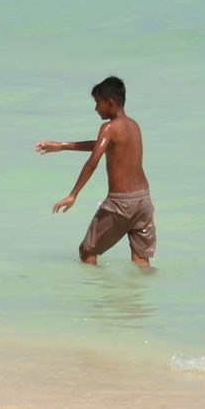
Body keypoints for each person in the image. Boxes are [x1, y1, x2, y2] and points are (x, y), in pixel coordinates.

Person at [36, 75, 154, 268]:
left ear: (110, 102)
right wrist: (62, 146)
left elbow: (93, 162)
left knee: (87, 251)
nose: (96, 108)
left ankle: (98, 293)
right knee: (141, 259)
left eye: (98, 103)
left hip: (121, 203)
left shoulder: (108, 127)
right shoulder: (134, 125)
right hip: (143, 201)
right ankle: (141, 295)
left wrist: (73, 195)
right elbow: (106, 145)